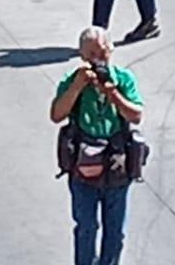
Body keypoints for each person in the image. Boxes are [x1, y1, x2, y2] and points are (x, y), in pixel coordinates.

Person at [50, 26, 144, 265]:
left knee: (114, 232)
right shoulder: (72, 80)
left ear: (110, 50)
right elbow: (57, 114)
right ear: (82, 56)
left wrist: (113, 95)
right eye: (91, 55)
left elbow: (136, 115)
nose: (97, 60)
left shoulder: (123, 79)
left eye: (101, 53)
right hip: (83, 168)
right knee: (86, 228)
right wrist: (78, 86)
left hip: (116, 167)